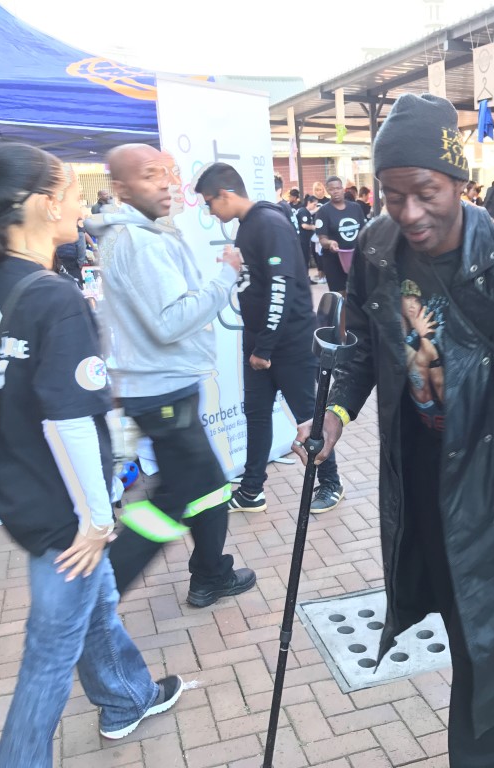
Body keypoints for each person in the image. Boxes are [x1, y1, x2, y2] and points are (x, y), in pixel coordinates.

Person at [297, 93, 494, 767]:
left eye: (425, 192)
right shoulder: (379, 248)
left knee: (485, 643)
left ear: (458, 180)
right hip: (419, 470)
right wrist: (334, 415)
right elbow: (362, 348)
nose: (409, 212)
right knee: (457, 609)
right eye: (392, 196)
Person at [0, 144, 184, 768]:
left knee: (96, 604)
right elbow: (70, 420)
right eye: (75, 196)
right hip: (65, 511)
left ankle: (126, 695)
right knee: (49, 656)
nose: (83, 208)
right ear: (47, 205)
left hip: (22, 493)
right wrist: (97, 519)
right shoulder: (53, 297)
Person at [88, 143, 256, 606]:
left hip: (163, 387)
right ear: (121, 188)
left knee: (207, 487)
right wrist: (225, 277)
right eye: (150, 174)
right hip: (162, 391)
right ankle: (96, 597)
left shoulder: (140, 233)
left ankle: (211, 573)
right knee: (176, 498)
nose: (166, 183)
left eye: (168, 171)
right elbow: (170, 321)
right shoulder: (140, 241)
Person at [195, 163, 345, 514]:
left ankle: (331, 483)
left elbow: (281, 288)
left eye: (209, 203)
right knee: (257, 415)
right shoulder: (249, 226)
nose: (210, 211)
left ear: (225, 194)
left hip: (288, 345)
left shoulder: (268, 223)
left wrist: (264, 348)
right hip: (260, 343)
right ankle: (251, 490)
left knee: (308, 418)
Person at [316, 176, 366, 294]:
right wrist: (330, 243)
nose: (336, 191)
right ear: (327, 191)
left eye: (338, 188)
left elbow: (364, 232)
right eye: (332, 189)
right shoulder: (323, 211)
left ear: (343, 189)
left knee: (358, 294)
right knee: (340, 295)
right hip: (334, 261)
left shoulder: (355, 208)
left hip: (355, 258)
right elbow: (322, 238)